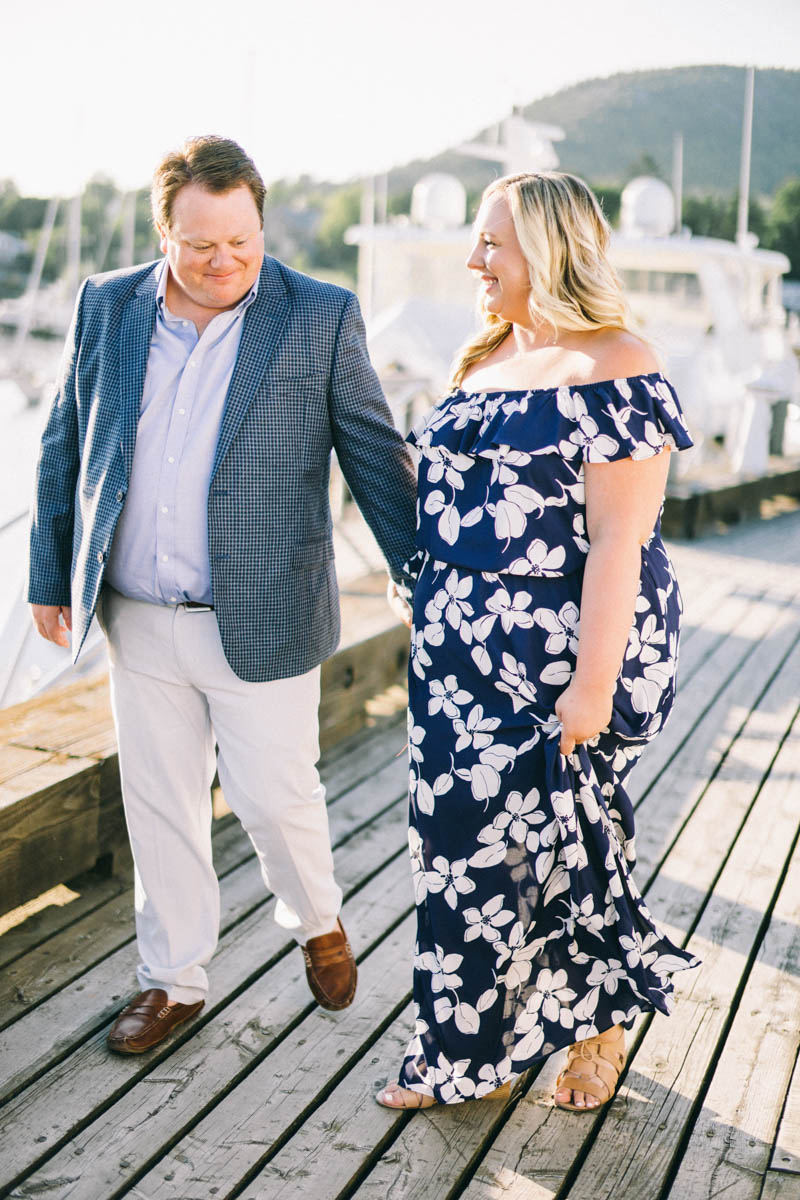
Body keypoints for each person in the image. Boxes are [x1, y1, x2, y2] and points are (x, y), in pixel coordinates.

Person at [28, 135, 417, 1053]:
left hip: (265, 612)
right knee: (160, 806)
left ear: (260, 223)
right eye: (201, 244)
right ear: (164, 230)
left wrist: (420, 575)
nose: (225, 262)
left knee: (274, 796)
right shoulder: (108, 306)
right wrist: (50, 574)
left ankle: (316, 918)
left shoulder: (316, 314)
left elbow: (371, 450)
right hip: (134, 613)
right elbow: (65, 443)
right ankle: (173, 983)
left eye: (242, 240)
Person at [376, 171, 700, 1112]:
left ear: (550, 253)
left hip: (558, 662)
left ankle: (597, 1031)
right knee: (458, 854)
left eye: (493, 243)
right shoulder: (484, 359)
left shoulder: (619, 363)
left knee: (564, 845)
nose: (474, 259)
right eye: (477, 241)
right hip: (452, 666)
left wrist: (591, 688)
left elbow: (618, 549)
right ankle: (466, 1052)